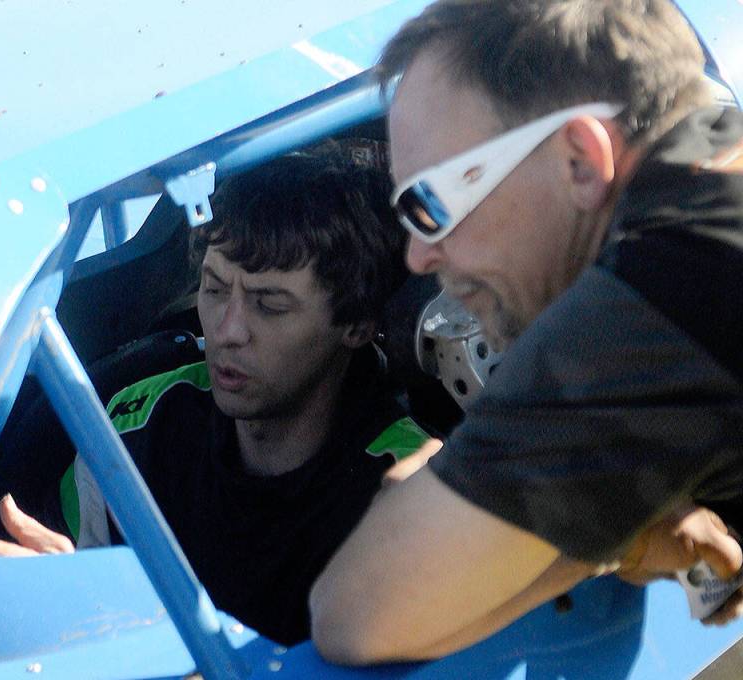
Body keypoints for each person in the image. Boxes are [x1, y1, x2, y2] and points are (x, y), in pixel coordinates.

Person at [310, 0, 743, 663]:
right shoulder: (714, 180)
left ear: (578, 160)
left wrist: (605, 538)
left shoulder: (678, 276)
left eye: (428, 204)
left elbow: (357, 615)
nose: (418, 257)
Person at [0, 152, 435, 645]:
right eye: (214, 287)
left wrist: (112, 621)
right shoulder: (132, 428)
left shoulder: (410, 490)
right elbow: (57, 588)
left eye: (269, 305)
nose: (228, 331)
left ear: (356, 325)